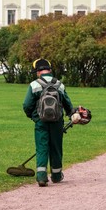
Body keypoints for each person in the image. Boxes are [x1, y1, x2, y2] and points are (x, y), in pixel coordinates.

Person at [23, 59, 80, 187]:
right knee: (56, 148)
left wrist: (34, 117)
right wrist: (72, 115)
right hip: (57, 121)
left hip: (41, 122)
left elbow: (27, 105)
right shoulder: (59, 84)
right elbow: (67, 104)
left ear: (38, 72)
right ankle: (56, 176)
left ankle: (42, 177)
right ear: (49, 70)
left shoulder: (34, 85)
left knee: (42, 147)